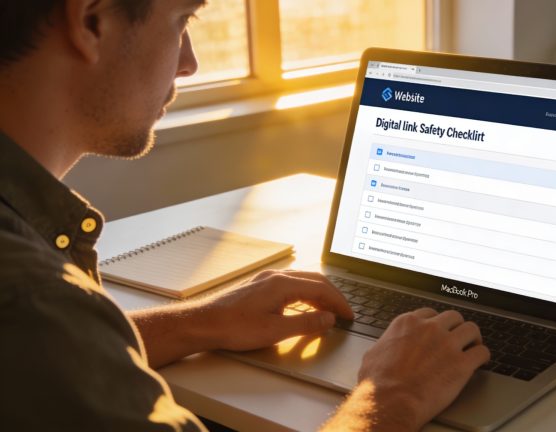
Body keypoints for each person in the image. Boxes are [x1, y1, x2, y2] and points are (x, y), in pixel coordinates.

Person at [0, 1, 490, 430]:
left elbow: (41, 361)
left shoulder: (36, 314)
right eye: (182, 19)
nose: (189, 62)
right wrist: (392, 398)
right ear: (91, 20)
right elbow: (39, 328)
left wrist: (197, 323)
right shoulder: (30, 301)